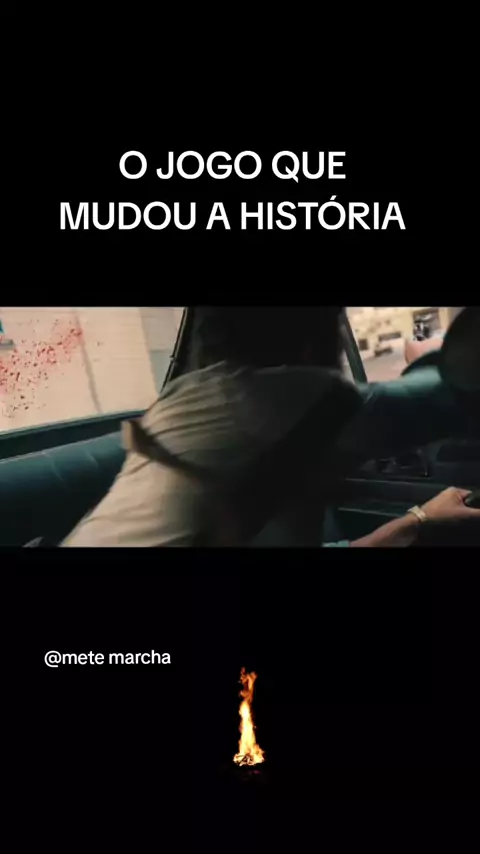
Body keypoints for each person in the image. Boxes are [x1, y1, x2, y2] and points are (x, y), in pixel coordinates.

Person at [62, 306, 480, 547]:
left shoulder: (196, 397)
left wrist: (419, 517)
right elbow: (447, 394)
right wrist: (446, 356)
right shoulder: (279, 399)